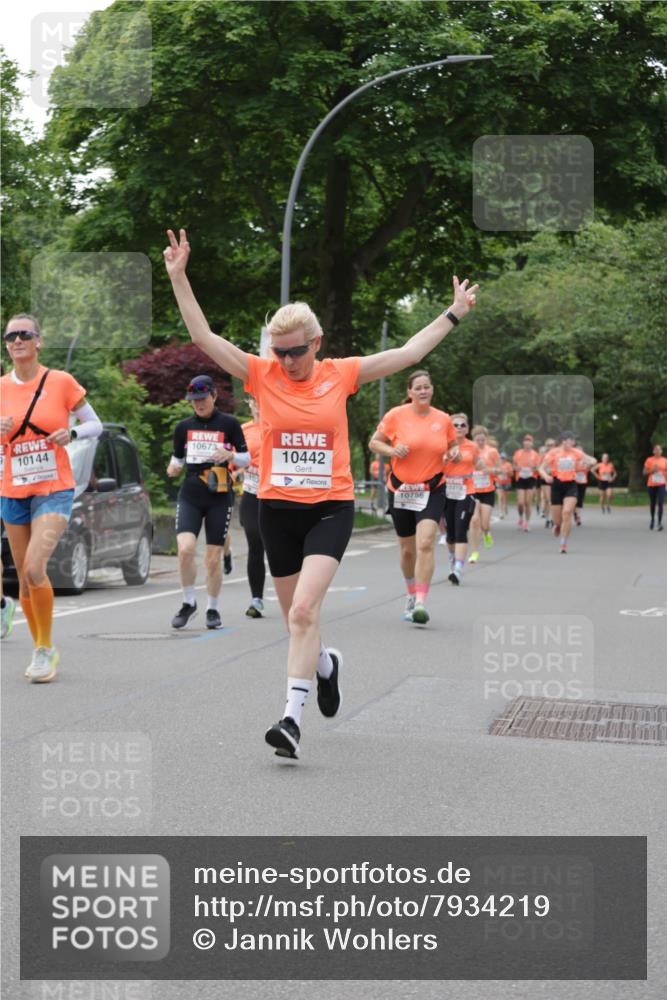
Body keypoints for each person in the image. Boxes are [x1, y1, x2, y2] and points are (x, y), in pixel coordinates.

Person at [163, 227, 478, 759]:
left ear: (317, 342)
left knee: (305, 611)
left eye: (296, 351)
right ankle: (327, 665)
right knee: (296, 620)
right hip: (277, 510)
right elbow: (204, 339)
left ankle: (289, 721)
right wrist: (178, 276)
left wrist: (452, 313)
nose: (287, 361)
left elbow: (406, 352)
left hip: (330, 509)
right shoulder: (261, 374)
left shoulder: (341, 374)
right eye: (279, 352)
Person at [0, 313, 102, 681]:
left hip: (53, 488)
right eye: (10, 336)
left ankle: (44, 651)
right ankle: (41, 646)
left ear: (38, 341)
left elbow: (95, 423)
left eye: (24, 334)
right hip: (12, 491)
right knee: (26, 581)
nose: (17, 341)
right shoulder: (0, 388)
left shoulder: (59, 381)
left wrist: (70, 435)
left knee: (32, 568)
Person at [369, 370, 455, 625]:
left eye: (426, 387)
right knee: (407, 550)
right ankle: (410, 594)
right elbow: (375, 443)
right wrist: (392, 449)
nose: (422, 391)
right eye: (417, 387)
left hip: (432, 488)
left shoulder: (444, 419)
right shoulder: (396, 415)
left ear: (432, 390)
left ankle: (421, 602)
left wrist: (454, 454)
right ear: (409, 392)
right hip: (401, 489)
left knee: (426, 542)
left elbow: (451, 447)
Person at [166, 374, 249, 630]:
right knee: (185, 549)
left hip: (219, 494)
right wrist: (173, 467)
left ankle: (212, 608)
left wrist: (231, 454)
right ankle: (188, 602)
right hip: (191, 492)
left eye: (202, 399)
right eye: (194, 400)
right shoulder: (183, 427)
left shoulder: (229, 424)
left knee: (212, 558)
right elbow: (177, 458)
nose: (198, 404)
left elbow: (246, 459)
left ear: (213, 395)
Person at [539, 431, 597, 554]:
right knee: (557, 520)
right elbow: (541, 468)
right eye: (570, 440)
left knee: (567, 512)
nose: (572, 443)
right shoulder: (554, 452)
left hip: (571, 485)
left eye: (573, 441)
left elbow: (592, 459)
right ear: (563, 441)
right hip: (556, 485)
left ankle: (563, 542)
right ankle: (557, 525)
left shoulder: (576, 452)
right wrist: (545, 476)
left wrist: (591, 462)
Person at [442, 413, 483, 584]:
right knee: (450, 534)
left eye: (463, 425)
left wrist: (480, 466)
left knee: (460, 530)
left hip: (466, 492)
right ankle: (453, 559)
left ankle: (458, 569)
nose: (459, 428)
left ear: (467, 429)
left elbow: (478, 463)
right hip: (447, 492)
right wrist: (443, 459)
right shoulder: (442, 445)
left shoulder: (472, 447)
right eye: (455, 425)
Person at [235, 396, 266, 617]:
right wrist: (233, 469)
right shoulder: (243, 429)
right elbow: (232, 458)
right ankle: (257, 599)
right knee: (255, 542)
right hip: (252, 491)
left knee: (281, 549)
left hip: (279, 494)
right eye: (255, 401)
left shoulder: (281, 426)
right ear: (250, 403)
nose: (259, 405)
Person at [467, 425, 501, 562]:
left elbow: (500, 469)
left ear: (486, 439)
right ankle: (474, 552)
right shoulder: (469, 451)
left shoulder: (492, 452)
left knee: (484, 524)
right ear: (473, 439)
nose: (480, 442)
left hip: (487, 491)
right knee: (474, 521)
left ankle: (487, 533)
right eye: (477, 439)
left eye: (482, 439)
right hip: (473, 490)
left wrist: (491, 471)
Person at [513, 433, 541, 531]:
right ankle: (521, 517)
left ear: (532, 443)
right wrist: (517, 468)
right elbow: (514, 466)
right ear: (523, 443)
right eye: (526, 441)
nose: (527, 443)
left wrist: (533, 467)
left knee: (528, 502)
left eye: (529, 441)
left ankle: (527, 522)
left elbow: (538, 467)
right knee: (521, 502)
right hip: (521, 478)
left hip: (531, 478)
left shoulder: (535, 454)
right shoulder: (518, 453)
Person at [643, 444, 667, 531]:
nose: (658, 451)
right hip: (652, 484)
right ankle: (652, 520)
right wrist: (652, 470)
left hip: (661, 484)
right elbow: (644, 472)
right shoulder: (649, 460)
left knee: (660, 503)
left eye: (659, 450)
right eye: (656, 450)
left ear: (661, 451)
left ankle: (659, 523)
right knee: (653, 503)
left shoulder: (665, 460)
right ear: (653, 451)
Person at [538, 439, 556, 527]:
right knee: (548, 499)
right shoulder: (543, 456)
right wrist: (545, 473)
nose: (550, 447)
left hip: (556, 478)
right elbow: (539, 467)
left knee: (553, 500)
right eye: (548, 445)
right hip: (546, 479)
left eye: (552, 445)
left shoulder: (558, 455)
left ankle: (552, 518)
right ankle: (549, 518)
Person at [495, 452, 513, 518]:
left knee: (505, 497)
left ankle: (505, 506)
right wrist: (498, 472)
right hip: (499, 482)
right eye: (501, 458)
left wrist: (507, 472)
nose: (502, 459)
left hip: (507, 482)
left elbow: (511, 474)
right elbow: (494, 472)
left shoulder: (508, 464)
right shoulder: (497, 464)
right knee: (500, 497)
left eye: (503, 458)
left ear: (506, 458)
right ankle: (500, 512)